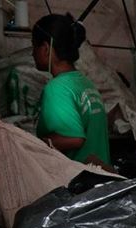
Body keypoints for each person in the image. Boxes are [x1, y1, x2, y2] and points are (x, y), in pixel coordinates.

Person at [31, 13, 111, 166]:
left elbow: (74, 139)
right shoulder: (86, 84)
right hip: (101, 182)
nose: (32, 52)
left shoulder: (56, 89)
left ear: (46, 48)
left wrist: (33, 145)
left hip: (79, 184)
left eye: (34, 45)